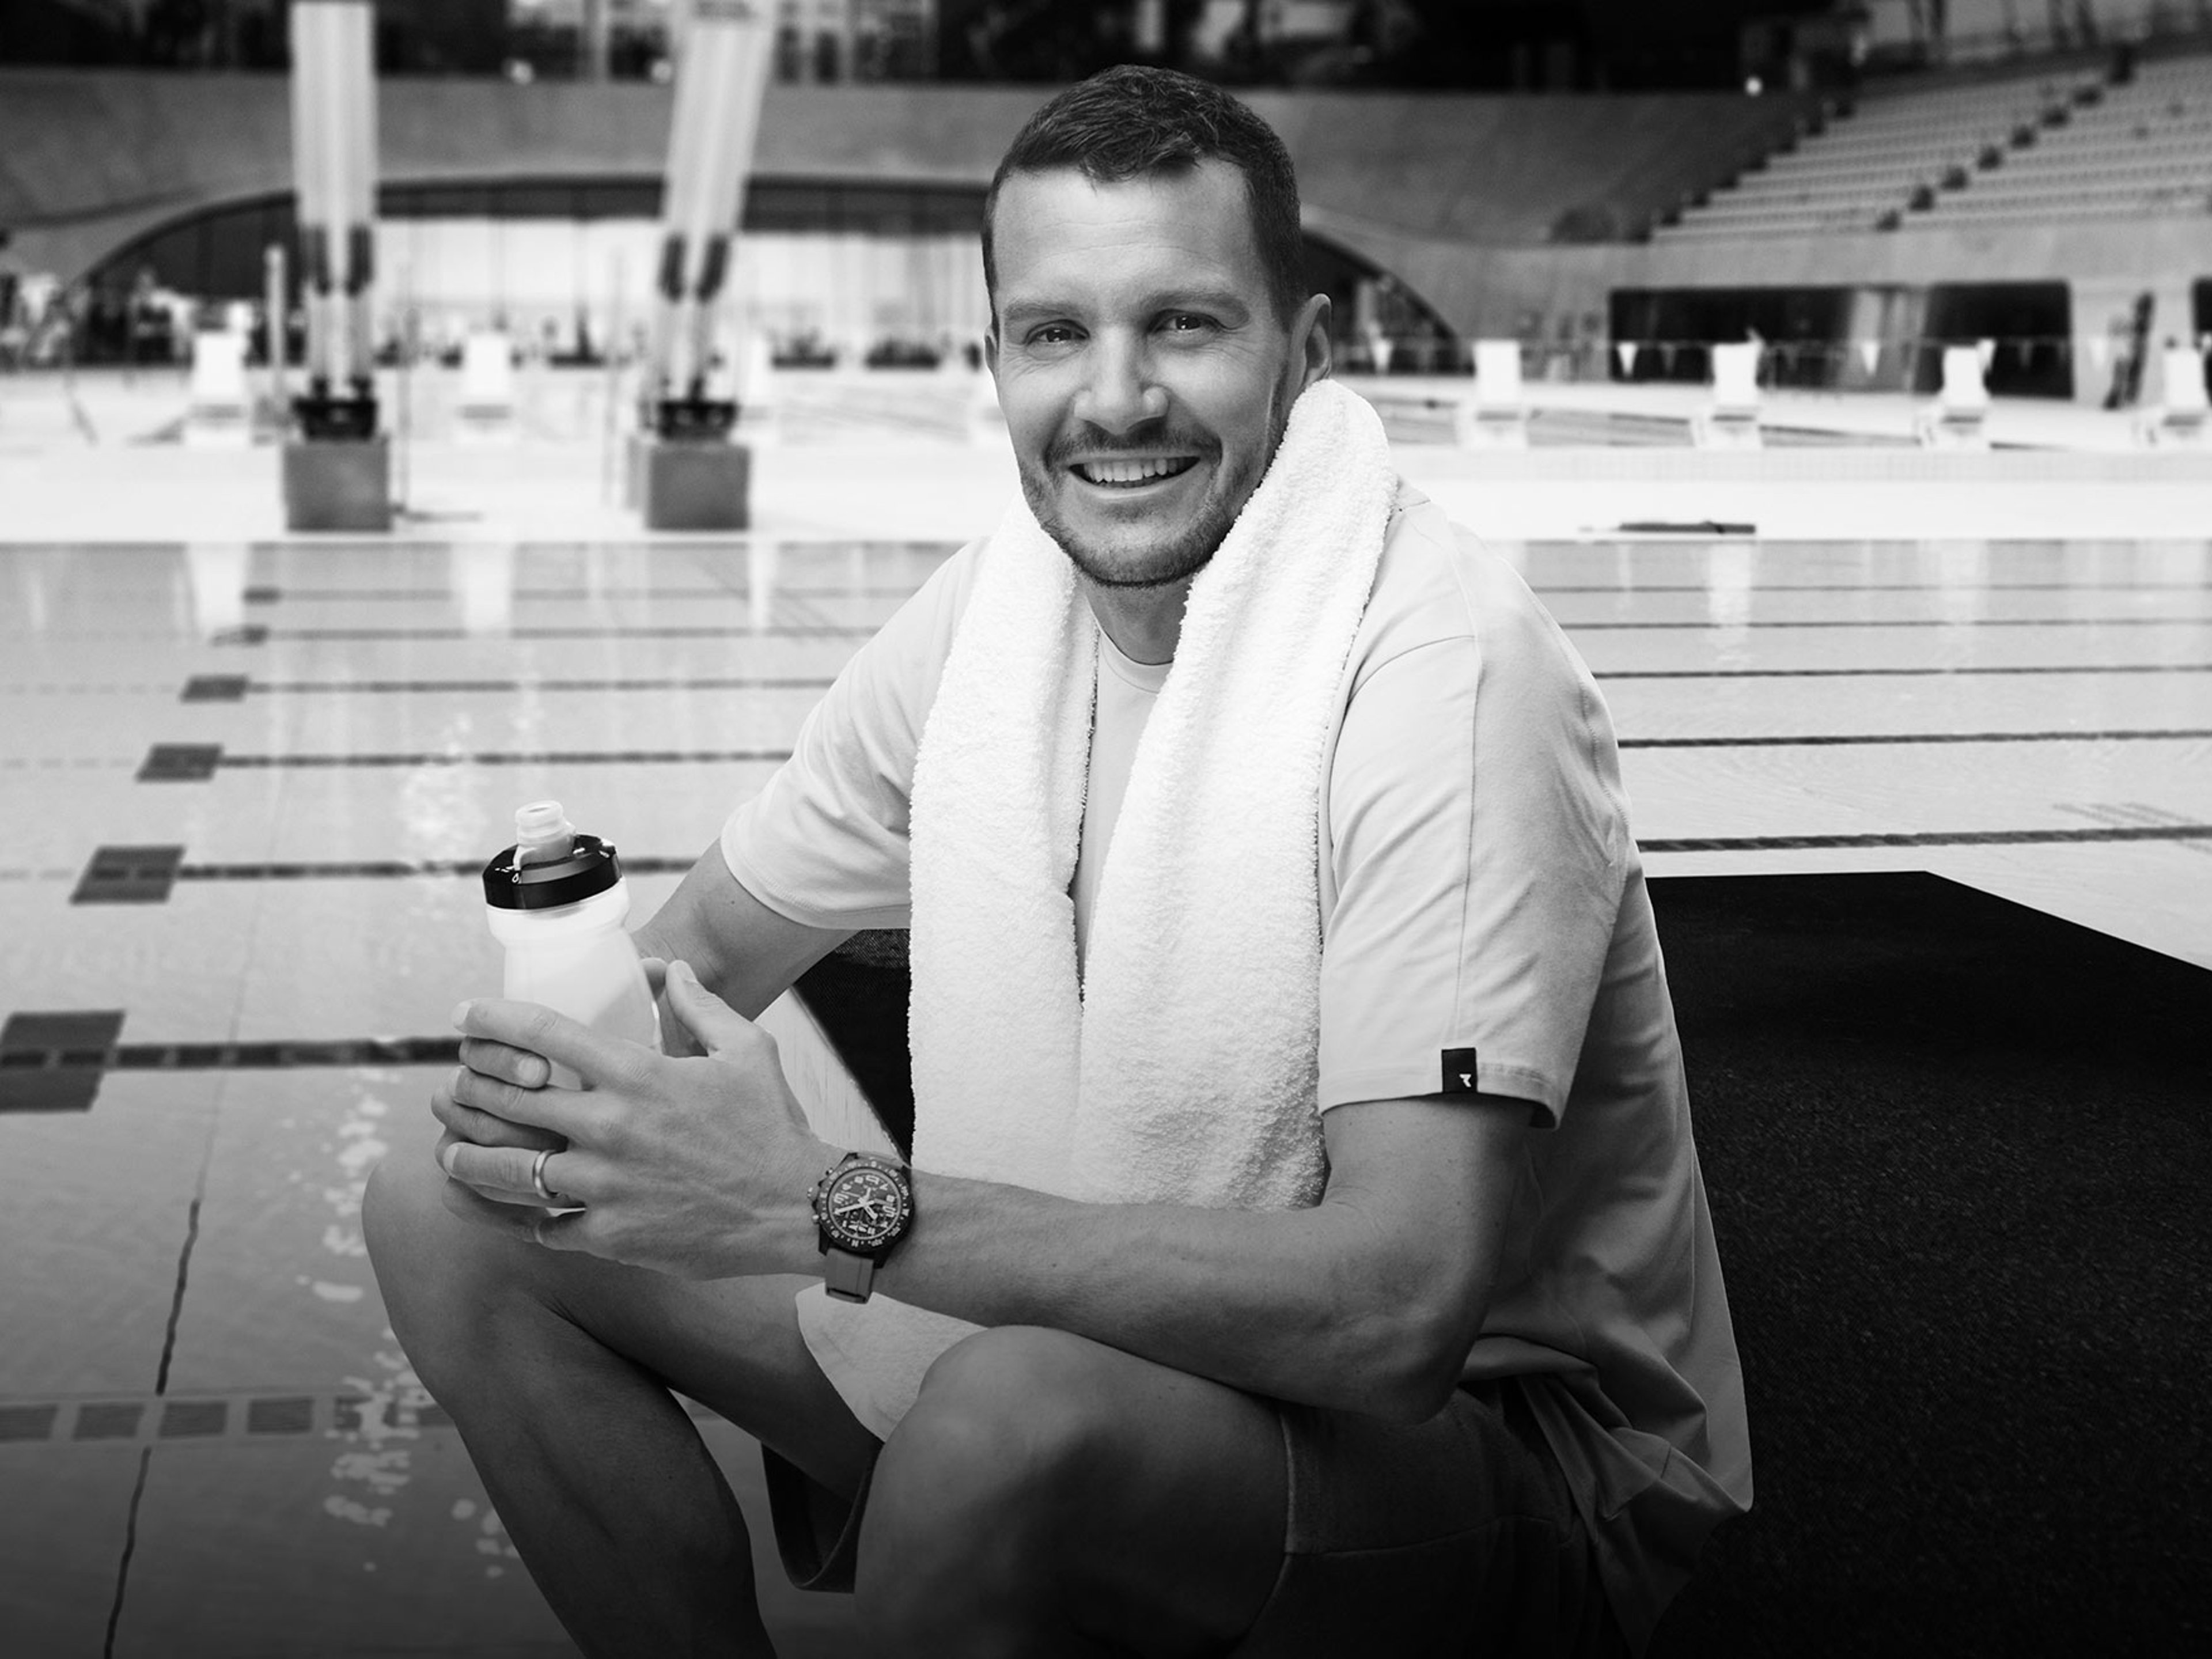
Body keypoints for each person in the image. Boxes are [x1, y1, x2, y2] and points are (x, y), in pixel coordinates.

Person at [364, 65, 1749, 1658]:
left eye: (1182, 324)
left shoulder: (1445, 673)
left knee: (1002, 1428)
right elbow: (688, 973)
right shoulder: (995, 624)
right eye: (1055, 334)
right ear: (997, 359)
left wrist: (815, 1199)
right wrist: (590, 1066)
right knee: (451, 1206)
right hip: (1079, 1339)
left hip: (1519, 1456)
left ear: (1302, 356)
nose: (1113, 398)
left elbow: (1393, 1312)